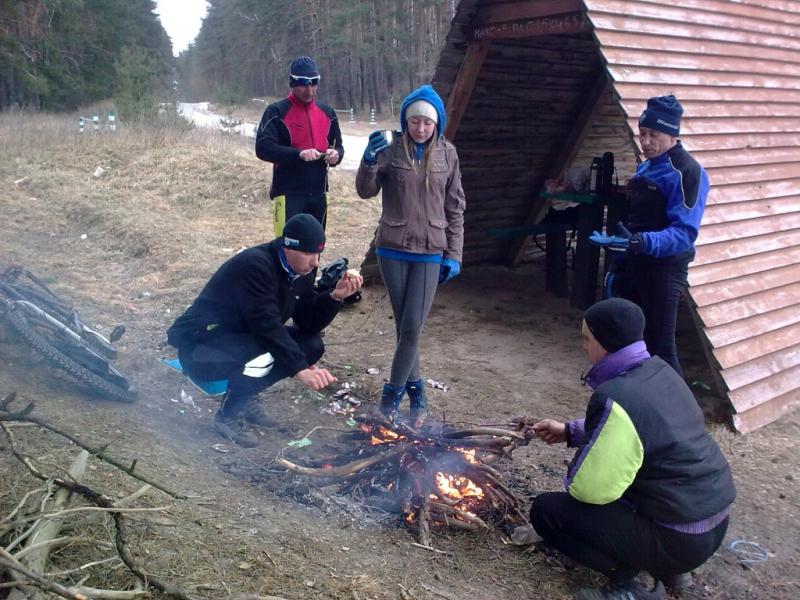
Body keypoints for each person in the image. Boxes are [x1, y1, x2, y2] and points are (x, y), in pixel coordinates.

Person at [529, 298, 735, 600]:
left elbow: (589, 490)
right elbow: (644, 426)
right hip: (711, 521)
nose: (584, 347)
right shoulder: (660, 371)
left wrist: (579, 467)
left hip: (677, 535)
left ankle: (631, 584)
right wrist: (570, 431)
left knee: (548, 511)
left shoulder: (617, 396)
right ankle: (672, 565)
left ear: (604, 342)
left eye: (587, 339)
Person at [166, 214, 363, 447]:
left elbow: (308, 324)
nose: (315, 263)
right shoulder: (255, 266)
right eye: (309, 254)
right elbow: (266, 325)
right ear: (289, 246)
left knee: (311, 345)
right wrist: (299, 368)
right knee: (267, 352)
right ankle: (227, 417)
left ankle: (244, 398)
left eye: (318, 254)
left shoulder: (300, 272)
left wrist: (335, 297)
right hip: (200, 348)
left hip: (241, 340)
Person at [355, 85, 466, 424]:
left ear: (437, 124)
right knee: (407, 328)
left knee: (412, 327)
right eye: (415, 121)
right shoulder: (390, 150)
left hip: (432, 250)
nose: (420, 128)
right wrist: (369, 160)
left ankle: (390, 400)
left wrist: (454, 253)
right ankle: (417, 396)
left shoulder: (448, 154)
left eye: (427, 123)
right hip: (392, 247)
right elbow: (365, 191)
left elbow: (456, 207)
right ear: (406, 121)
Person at [606, 94, 709, 377]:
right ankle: (635, 403)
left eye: (654, 134)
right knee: (629, 341)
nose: (646, 141)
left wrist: (643, 241)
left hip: (665, 269)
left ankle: (679, 416)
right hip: (636, 261)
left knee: (661, 347)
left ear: (672, 134)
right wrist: (624, 244)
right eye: (642, 133)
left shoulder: (688, 172)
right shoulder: (648, 165)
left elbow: (684, 232)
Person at [255, 56, 344, 235]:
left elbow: (339, 146)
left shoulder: (328, 113)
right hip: (288, 194)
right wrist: (298, 155)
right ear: (292, 83)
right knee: (285, 251)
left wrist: (336, 156)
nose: (309, 90)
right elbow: (262, 147)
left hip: (318, 194)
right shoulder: (276, 111)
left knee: (314, 252)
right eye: (303, 84)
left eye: (314, 83)